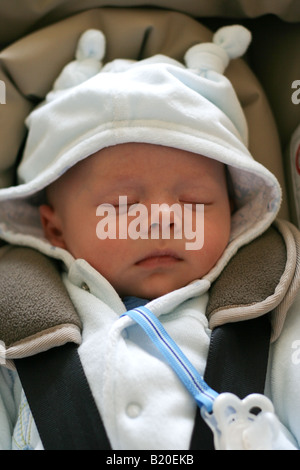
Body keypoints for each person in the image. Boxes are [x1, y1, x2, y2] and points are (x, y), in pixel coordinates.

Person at [0, 25, 299, 450]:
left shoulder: (273, 306)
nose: (161, 221)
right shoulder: (16, 322)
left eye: (194, 201)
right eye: (122, 206)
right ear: (54, 227)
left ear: (234, 211)